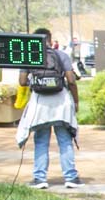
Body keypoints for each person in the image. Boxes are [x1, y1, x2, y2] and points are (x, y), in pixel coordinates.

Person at [17, 27, 83, 189]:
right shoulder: (61, 56)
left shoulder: (30, 57)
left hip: (40, 105)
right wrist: (75, 102)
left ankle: (40, 178)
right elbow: (71, 80)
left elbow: (22, 81)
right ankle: (70, 177)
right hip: (61, 103)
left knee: (41, 141)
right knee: (65, 140)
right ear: (50, 39)